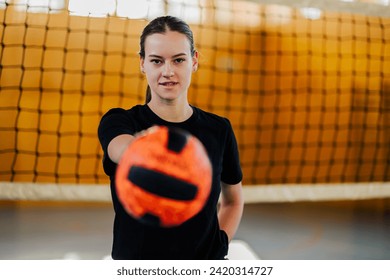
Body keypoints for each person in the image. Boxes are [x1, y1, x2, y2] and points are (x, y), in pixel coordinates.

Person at [98, 15, 243, 260]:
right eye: (157, 61)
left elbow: (233, 200)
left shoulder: (219, 129)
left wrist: (220, 243)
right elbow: (119, 148)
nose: (168, 71)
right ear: (142, 63)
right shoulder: (121, 121)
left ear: (194, 61)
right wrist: (146, 147)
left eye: (178, 60)